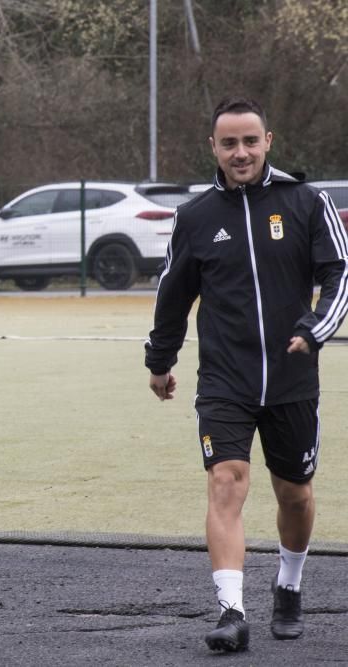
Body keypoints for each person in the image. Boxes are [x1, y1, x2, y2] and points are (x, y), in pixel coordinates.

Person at [145, 96, 348, 652]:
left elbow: (339, 273)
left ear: (268, 141)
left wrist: (315, 329)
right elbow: (173, 294)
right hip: (224, 381)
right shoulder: (195, 217)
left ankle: (289, 584)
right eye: (229, 143)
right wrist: (160, 360)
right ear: (213, 147)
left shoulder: (307, 202)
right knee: (226, 480)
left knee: (296, 495)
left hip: (291, 380)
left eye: (250, 141)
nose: (241, 152)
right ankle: (231, 610)